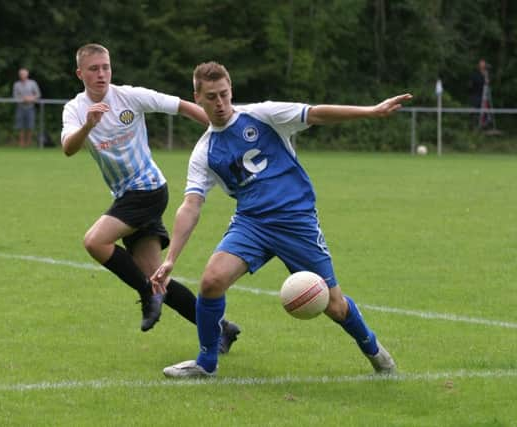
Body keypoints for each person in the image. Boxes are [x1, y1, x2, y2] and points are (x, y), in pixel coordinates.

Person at [151, 61, 412, 378]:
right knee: (211, 281)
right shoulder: (205, 151)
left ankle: (374, 350)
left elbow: (315, 113)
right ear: (197, 97)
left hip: (296, 221)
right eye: (211, 97)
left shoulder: (263, 115)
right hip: (251, 224)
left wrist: (370, 112)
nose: (219, 103)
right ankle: (206, 364)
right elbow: (191, 205)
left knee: (334, 305)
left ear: (231, 89)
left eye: (224, 94)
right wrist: (171, 259)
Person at [60, 45, 240, 353]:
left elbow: (183, 106)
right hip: (126, 195)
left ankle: (147, 295)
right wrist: (88, 125)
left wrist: (222, 130)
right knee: (160, 280)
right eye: (93, 69)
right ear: (80, 74)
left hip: (149, 189)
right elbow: (68, 147)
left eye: (105, 67)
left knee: (95, 242)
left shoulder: (129, 96)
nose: (101, 73)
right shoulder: (75, 109)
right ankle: (221, 328)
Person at [13, 68, 41, 147]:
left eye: (24, 74)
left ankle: (28, 143)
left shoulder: (33, 83)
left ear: (27, 75)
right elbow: (15, 96)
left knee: (30, 126)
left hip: (30, 107)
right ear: (19, 75)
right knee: (20, 126)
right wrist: (23, 99)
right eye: (21, 74)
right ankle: (21, 144)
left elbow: (38, 95)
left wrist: (31, 99)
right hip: (20, 107)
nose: (22, 76)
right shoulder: (16, 84)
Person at [469, 58, 493, 129]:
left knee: (485, 108)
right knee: (474, 109)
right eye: (481, 64)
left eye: (483, 64)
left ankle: (484, 123)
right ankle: (473, 124)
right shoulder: (475, 74)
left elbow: (487, 83)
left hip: (484, 94)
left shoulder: (487, 74)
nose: (482, 65)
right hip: (476, 94)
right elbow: (473, 83)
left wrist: (486, 76)